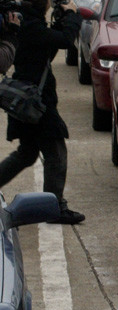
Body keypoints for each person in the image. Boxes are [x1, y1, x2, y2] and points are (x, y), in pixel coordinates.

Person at [0, 0, 84, 224]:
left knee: (26, 153)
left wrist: (61, 21)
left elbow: (49, 47)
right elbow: (65, 41)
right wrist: (73, 16)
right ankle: (54, 206)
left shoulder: (26, 23)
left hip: (27, 99)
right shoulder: (31, 26)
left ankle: (53, 204)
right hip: (36, 102)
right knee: (56, 153)